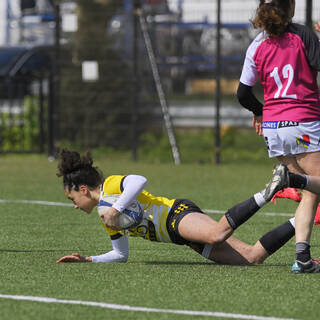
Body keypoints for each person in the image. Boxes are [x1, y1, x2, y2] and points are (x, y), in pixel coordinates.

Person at [56, 149, 306, 269]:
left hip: (175, 215)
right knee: (252, 258)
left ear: (83, 189)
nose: (75, 206)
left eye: (72, 198)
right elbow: (121, 255)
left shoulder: (110, 186)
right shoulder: (105, 217)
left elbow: (139, 180)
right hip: (180, 237)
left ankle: (269, 190)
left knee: (216, 233)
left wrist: (116, 207)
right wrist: (89, 259)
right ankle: (305, 217)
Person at [237, 0, 320, 273]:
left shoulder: (256, 45)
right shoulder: (303, 35)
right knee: (311, 188)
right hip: (303, 121)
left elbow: (242, 94)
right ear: (291, 9)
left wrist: (261, 112)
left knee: (309, 192)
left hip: (273, 127)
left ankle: (303, 259)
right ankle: (289, 180)